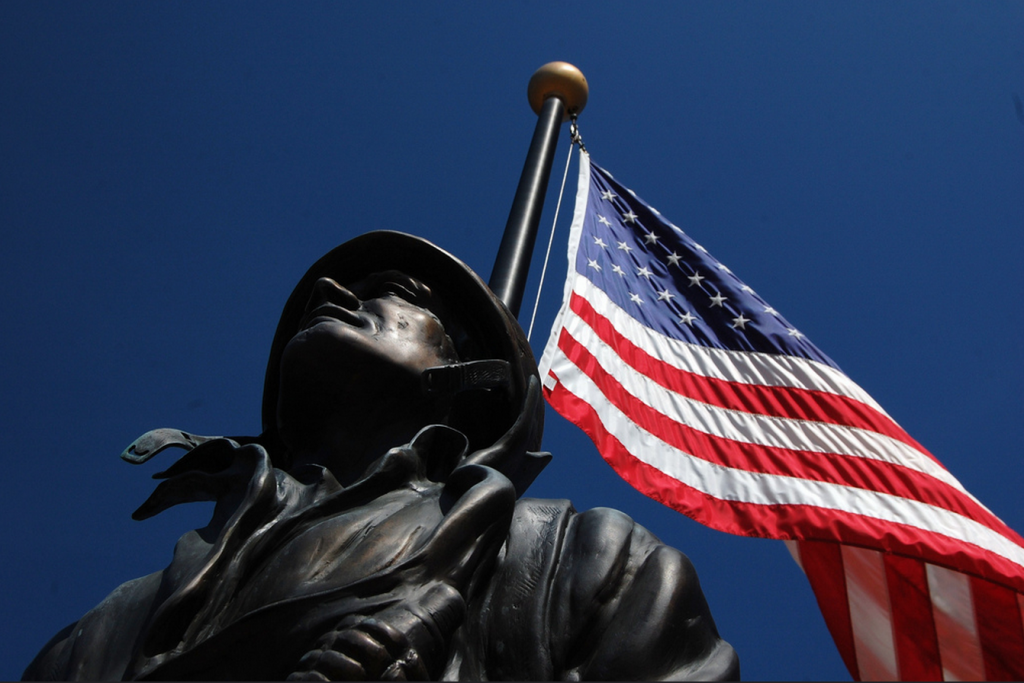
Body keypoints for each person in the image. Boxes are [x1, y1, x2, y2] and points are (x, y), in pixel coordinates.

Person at [23, 231, 739, 681]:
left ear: (470, 382)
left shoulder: (582, 563)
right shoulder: (101, 634)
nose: (330, 291)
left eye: (394, 294)